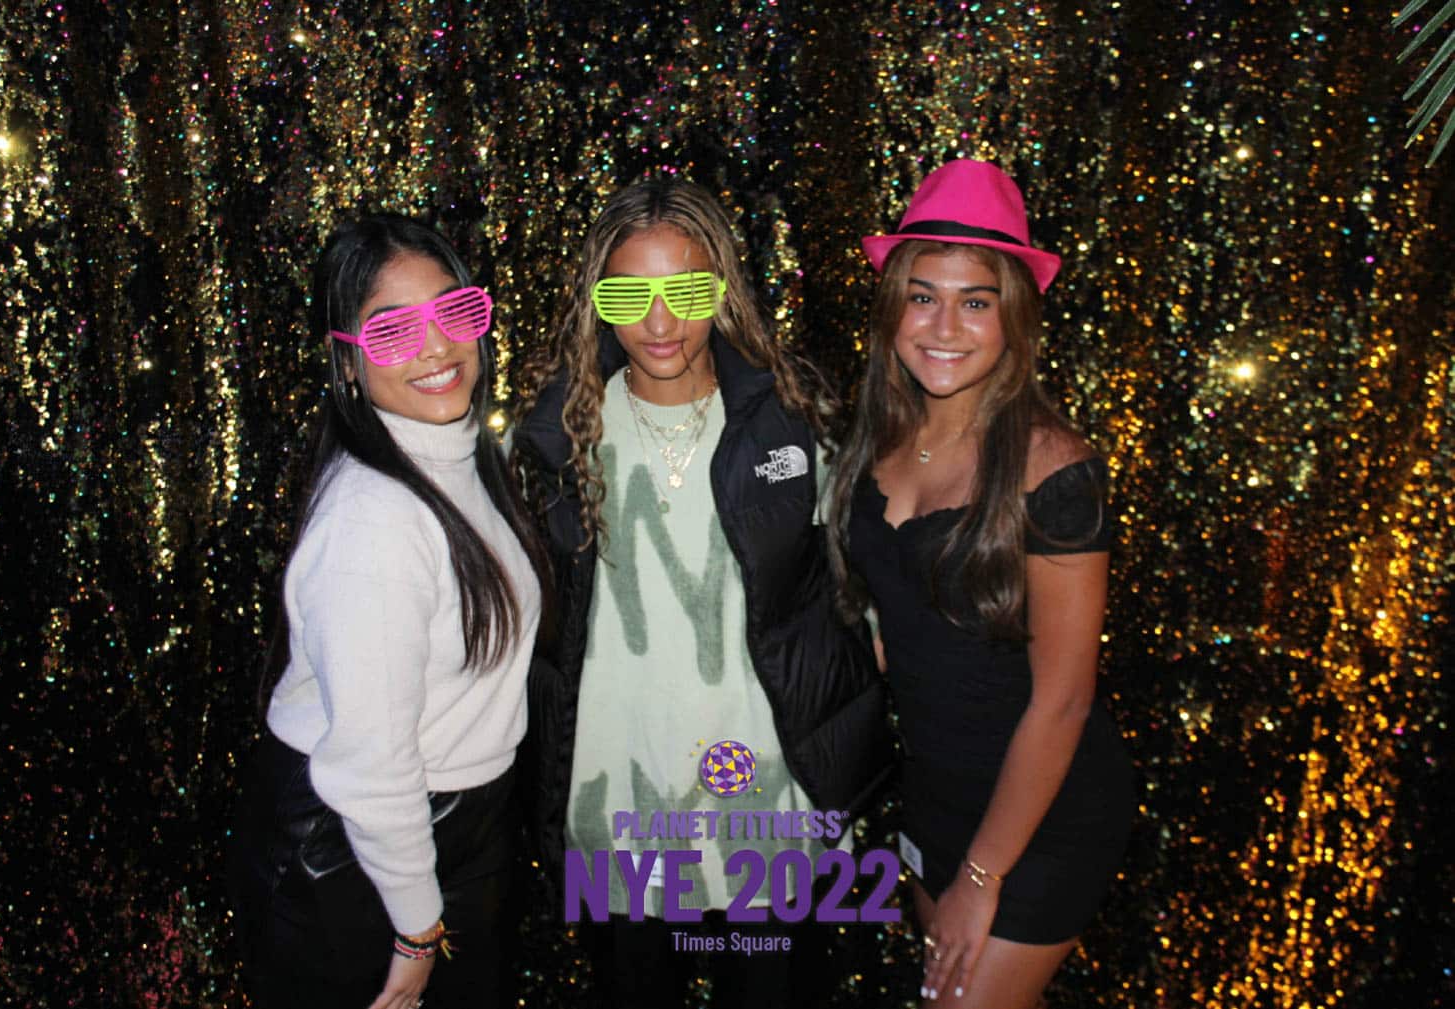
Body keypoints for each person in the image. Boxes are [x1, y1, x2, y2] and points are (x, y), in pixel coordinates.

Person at [510, 178, 893, 1007]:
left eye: (685, 291)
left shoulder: (792, 415)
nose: (658, 321)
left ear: (721, 288)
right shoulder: (552, 437)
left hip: (768, 805)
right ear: (595, 300)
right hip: (620, 805)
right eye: (628, 295)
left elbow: (856, 573)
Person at [827, 160, 1135, 1008]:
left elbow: (1063, 701)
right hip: (933, 793)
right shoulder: (880, 441)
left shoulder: (1053, 469)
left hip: (1040, 813)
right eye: (922, 296)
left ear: (1015, 316)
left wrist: (981, 874)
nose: (943, 327)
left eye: (975, 302)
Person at [227, 213, 548, 1009]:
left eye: (455, 311)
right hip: (352, 852)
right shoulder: (373, 518)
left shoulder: (459, 455)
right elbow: (371, 767)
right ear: (346, 358)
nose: (437, 346)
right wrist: (415, 928)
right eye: (394, 329)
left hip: (447, 829)